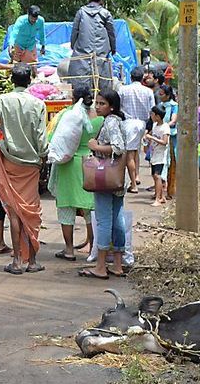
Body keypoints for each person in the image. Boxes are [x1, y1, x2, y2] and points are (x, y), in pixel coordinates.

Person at [0, 62, 48, 275]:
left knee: (13, 210)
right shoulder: (38, 103)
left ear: (12, 80)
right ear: (29, 80)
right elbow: (41, 138)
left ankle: (17, 261)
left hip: (9, 159)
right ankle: (32, 261)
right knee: (30, 211)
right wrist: (43, 157)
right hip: (31, 164)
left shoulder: (1, 100)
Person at [48, 84, 102, 261]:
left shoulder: (67, 114)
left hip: (68, 165)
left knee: (66, 209)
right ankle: (94, 248)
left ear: (73, 98)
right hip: (89, 163)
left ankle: (69, 249)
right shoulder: (98, 117)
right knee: (89, 208)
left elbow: (52, 137)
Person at [80, 89, 127, 280]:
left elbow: (118, 147)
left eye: (102, 104)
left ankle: (100, 265)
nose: (98, 107)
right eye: (97, 103)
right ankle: (117, 264)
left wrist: (95, 147)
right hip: (116, 178)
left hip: (105, 179)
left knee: (104, 220)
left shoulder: (111, 122)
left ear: (112, 106)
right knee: (117, 219)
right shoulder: (116, 121)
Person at [69, 0, 116, 92]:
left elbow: (75, 31)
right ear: (101, 1)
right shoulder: (105, 13)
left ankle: (83, 96)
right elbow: (111, 33)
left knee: (82, 76)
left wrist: (73, 46)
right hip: (101, 52)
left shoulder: (81, 12)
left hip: (83, 51)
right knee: (101, 77)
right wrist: (113, 48)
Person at [118, 65, 155, 193]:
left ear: (130, 77)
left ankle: (133, 184)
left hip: (128, 124)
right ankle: (137, 176)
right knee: (136, 151)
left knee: (130, 154)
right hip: (142, 124)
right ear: (142, 78)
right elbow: (152, 111)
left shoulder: (123, 90)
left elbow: (118, 107)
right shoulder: (148, 91)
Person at [144, 106, 170, 206]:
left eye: (153, 114)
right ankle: (161, 196)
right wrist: (147, 139)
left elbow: (164, 142)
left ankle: (158, 198)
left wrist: (152, 138)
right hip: (154, 154)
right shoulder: (155, 125)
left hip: (161, 155)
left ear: (158, 116)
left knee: (157, 175)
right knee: (154, 175)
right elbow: (151, 135)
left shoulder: (165, 127)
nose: (151, 116)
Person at [157, 84, 179, 199]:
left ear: (168, 95)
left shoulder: (174, 106)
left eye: (162, 94)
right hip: (160, 136)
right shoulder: (160, 105)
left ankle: (171, 190)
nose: (160, 96)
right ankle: (160, 190)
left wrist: (165, 127)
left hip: (172, 136)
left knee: (172, 161)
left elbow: (174, 120)